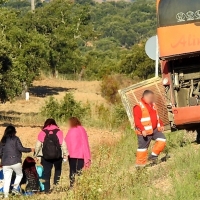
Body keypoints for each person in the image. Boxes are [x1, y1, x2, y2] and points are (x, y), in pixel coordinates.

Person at [133, 90, 166, 167]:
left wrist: (161, 124)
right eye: (151, 97)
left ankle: (153, 156)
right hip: (144, 132)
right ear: (145, 97)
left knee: (162, 140)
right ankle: (139, 167)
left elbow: (157, 116)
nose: (152, 99)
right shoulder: (138, 106)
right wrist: (142, 129)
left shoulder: (153, 104)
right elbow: (137, 120)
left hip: (154, 130)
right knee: (143, 149)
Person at [34, 119, 67, 193]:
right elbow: (63, 144)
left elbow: (38, 145)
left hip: (46, 157)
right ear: (55, 123)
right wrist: (65, 154)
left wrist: (35, 155)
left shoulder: (43, 132)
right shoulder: (58, 131)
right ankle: (56, 187)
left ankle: (47, 190)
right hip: (57, 156)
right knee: (57, 171)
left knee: (46, 173)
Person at [0, 125, 34, 198]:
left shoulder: (3, 140)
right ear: (14, 131)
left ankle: (6, 196)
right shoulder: (16, 139)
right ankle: (15, 188)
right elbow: (21, 148)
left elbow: (0, 153)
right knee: (19, 175)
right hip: (16, 161)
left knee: (7, 180)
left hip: (5, 163)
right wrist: (30, 149)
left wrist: (2, 160)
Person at [65, 117, 91, 188]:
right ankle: (80, 187)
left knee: (72, 171)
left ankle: (71, 186)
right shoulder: (82, 129)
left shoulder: (71, 131)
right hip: (81, 155)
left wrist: (65, 153)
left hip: (72, 155)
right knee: (80, 171)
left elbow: (66, 141)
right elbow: (85, 142)